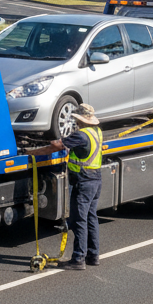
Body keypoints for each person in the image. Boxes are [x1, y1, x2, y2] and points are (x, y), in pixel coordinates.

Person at [50, 103, 103, 270]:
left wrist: (35, 150)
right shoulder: (97, 132)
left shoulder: (81, 135)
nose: (75, 122)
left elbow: (58, 144)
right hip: (95, 179)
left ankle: (78, 259)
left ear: (80, 120)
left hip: (84, 181)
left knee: (79, 220)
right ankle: (93, 255)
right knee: (91, 217)